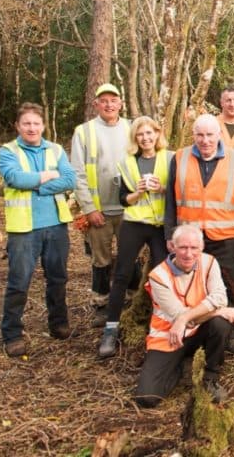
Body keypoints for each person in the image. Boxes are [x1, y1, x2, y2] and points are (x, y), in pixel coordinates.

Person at [164, 114, 234, 353]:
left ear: (219, 135)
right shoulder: (180, 157)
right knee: (190, 283)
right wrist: (170, 235)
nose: (205, 140)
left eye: (210, 135)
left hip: (226, 235)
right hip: (189, 238)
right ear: (193, 135)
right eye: (200, 135)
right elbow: (170, 201)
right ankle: (194, 326)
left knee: (233, 282)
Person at [134, 225, 234, 408]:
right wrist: (217, 311)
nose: (188, 253)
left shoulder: (209, 262)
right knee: (147, 397)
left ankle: (210, 377)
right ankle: (181, 367)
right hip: (169, 337)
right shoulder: (158, 276)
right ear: (172, 247)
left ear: (201, 248)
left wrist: (188, 318)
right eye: (183, 247)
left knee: (220, 325)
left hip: (199, 331)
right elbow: (182, 316)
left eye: (194, 248)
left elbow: (219, 297)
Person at [0, 103, 77, 357]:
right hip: (24, 229)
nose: (32, 128)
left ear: (43, 125)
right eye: (26, 124)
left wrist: (37, 184)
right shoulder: (7, 151)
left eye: (36, 123)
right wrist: (48, 175)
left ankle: (58, 323)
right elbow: (16, 179)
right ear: (18, 126)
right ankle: (12, 334)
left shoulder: (55, 149)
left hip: (56, 225)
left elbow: (70, 180)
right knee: (19, 282)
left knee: (58, 277)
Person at [98, 116, 172, 359]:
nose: (146, 138)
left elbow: (178, 191)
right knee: (121, 274)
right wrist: (137, 192)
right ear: (135, 138)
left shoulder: (170, 158)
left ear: (157, 134)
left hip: (160, 225)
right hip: (135, 222)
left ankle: (163, 324)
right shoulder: (127, 162)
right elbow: (122, 198)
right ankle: (110, 328)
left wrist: (161, 187)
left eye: (149, 133)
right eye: (141, 134)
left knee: (164, 276)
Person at [70, 83, 131, 326]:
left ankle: (131, 299)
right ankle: (101, 303)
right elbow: (77, 172)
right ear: (96, 104)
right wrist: (89, 209)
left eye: (113, 100)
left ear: (120, 104)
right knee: (101, 259)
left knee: (131, 257)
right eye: (103, 100)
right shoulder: (84, 132)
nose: (108, 104)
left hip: (129, 209)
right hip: (100, 211)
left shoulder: (131, 128)